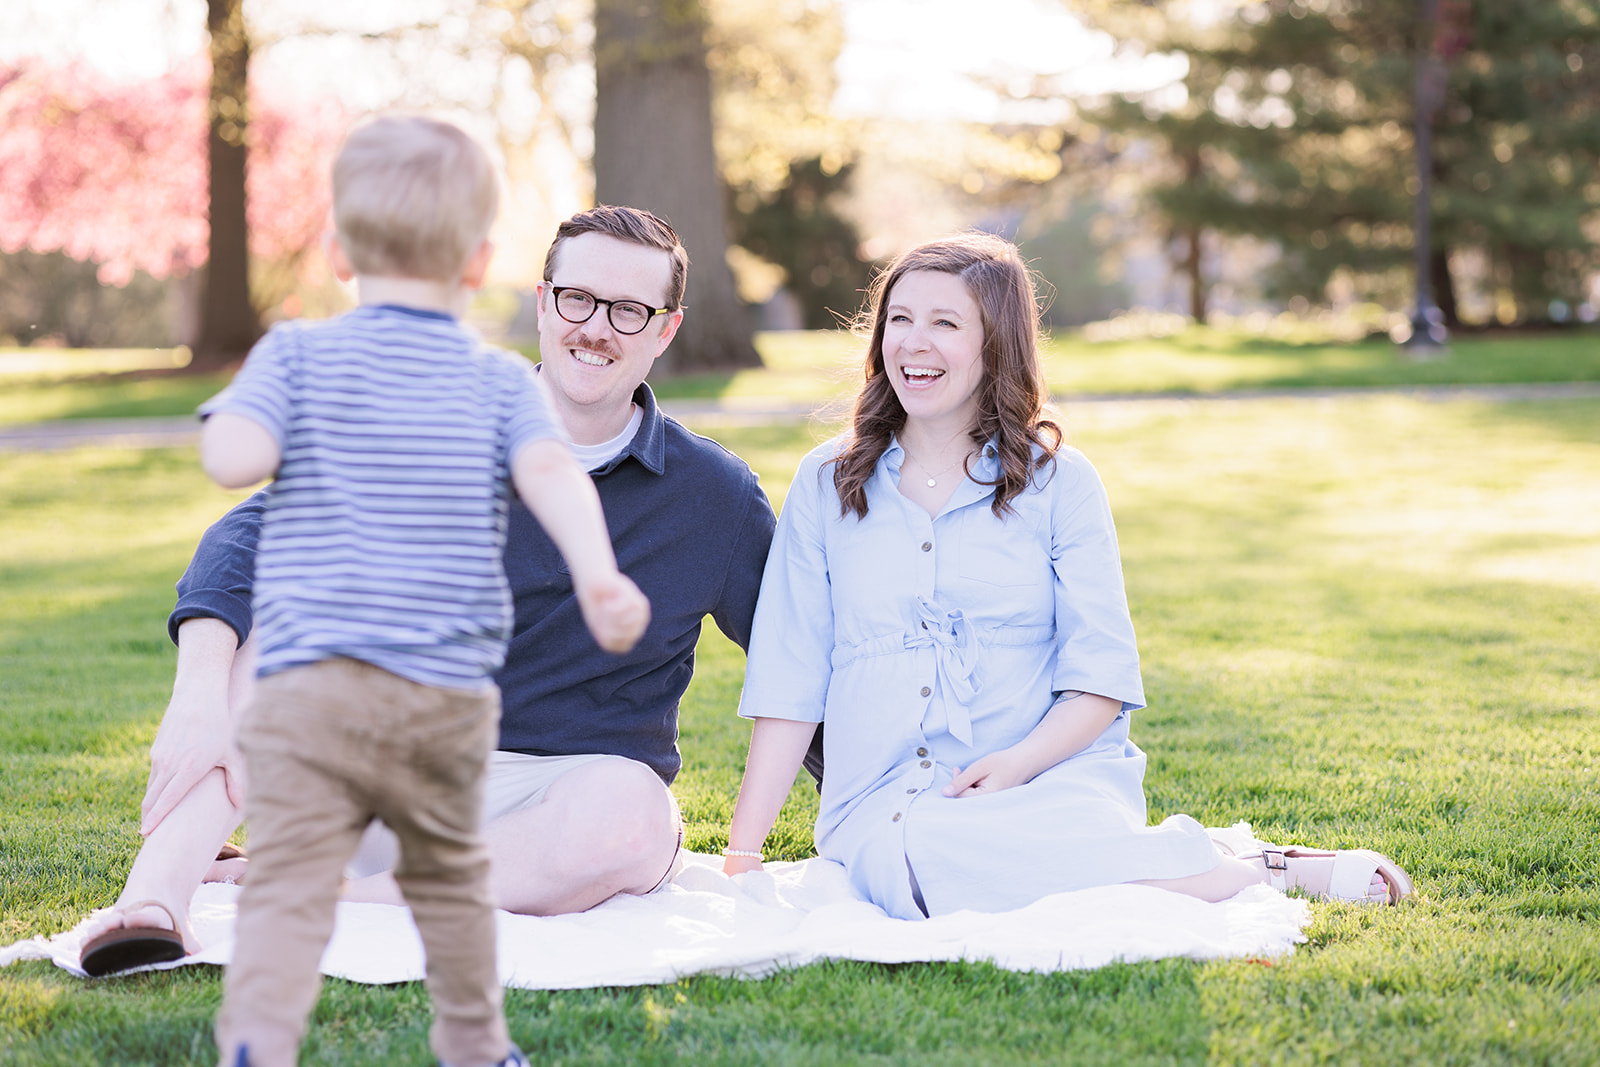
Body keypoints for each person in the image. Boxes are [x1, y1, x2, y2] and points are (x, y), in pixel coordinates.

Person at [74, 204, 791, 977]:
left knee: (639, 817)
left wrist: (899, 794)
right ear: (545, 302)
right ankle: (152, 905)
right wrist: (199, 692)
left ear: (666, 329)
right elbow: (250, 538)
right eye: (579, 299)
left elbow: (800, 658)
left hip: (562, 809)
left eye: (630, 310)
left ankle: (344, 896)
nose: (598, 328)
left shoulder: (715, 496)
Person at [721, 233, 1412, 918]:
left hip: (1049, 777)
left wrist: (1018, 765)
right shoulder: (826, 482)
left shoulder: (1061, 484)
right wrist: (743, 857)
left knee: (988, 852)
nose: (913, 343)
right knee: (918, 855)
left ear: (997, 344)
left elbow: (1100, 679)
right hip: (886, 797)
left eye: (944, 323)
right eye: (898, 319)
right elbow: (791, 675)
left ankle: (1246, 870)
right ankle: (1219, 874)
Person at [199, 115, 651, 1067]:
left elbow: (231, 457)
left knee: (291, 872)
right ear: (481, 260)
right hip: (440, 695)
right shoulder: (496, 382)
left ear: (336, 251)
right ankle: (478, 1044)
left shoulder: (296, 357)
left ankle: (256, 1040)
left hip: (310, 690)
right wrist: (599, 571)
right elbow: (555, 479)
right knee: (448, 876)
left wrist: (272, 428)